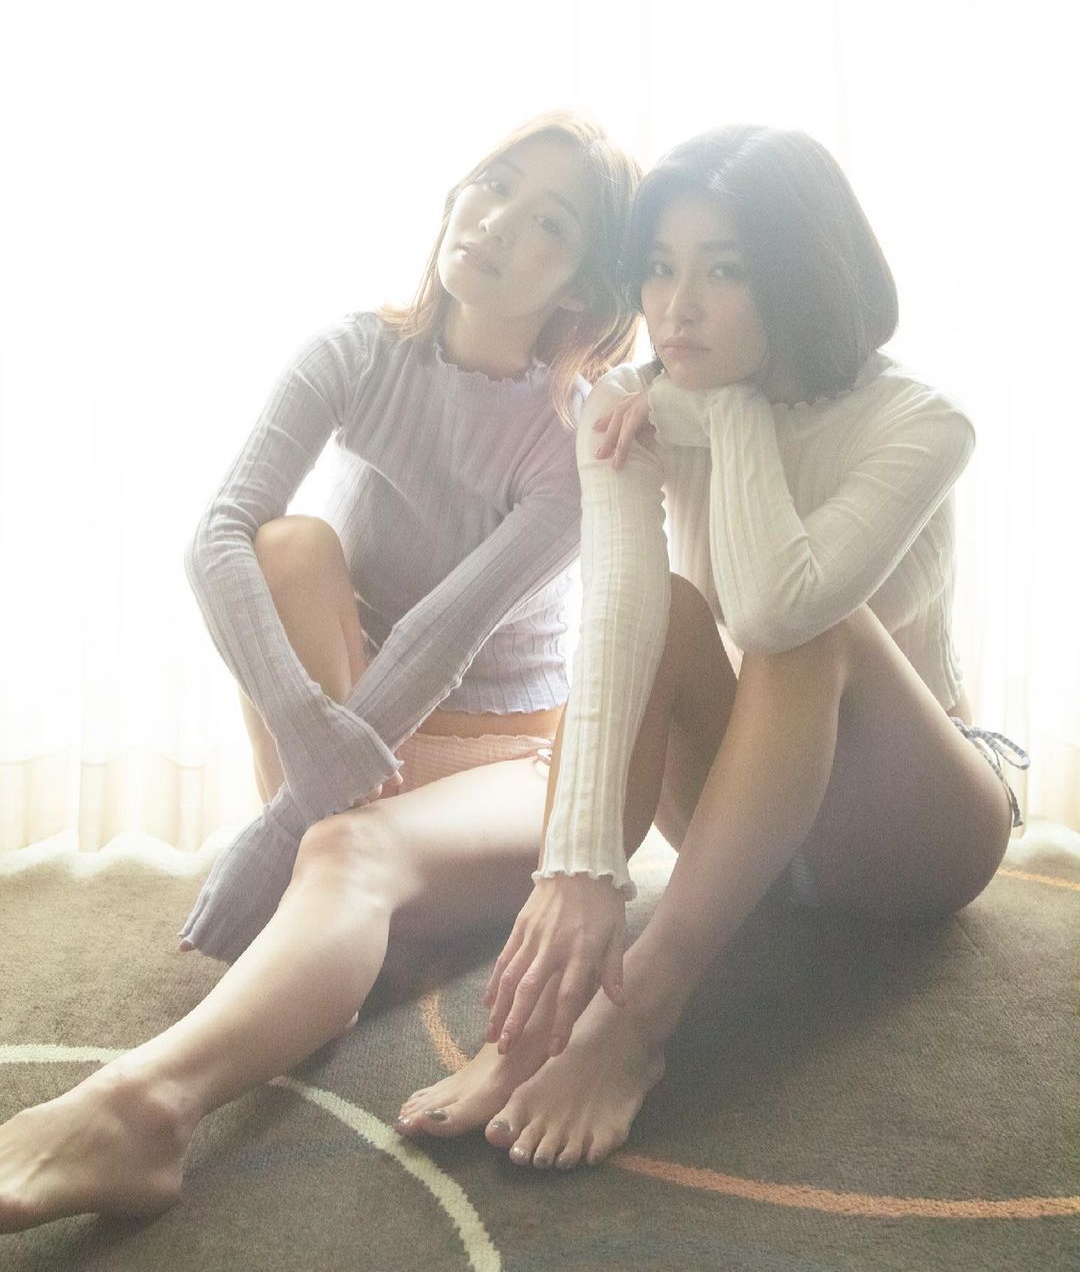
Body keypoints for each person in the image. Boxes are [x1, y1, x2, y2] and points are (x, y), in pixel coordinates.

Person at [0, 112, 639, 1232]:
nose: (497, 222)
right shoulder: (356, 350)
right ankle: (342, 916)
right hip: (355, 727)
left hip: (515, 756)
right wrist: (305, 751)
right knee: (289, 549)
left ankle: (143, 1110)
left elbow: (443, 636)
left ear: (581, 288)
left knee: (340, 847)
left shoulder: (571, 433)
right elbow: (216, 536)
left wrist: (292, 819)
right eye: (495, 183)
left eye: (548, 222)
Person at [396, 124, 1029, 1170]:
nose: (676, 308)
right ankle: (535, 1028)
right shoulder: (623, 406)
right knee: (667, 610)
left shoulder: (920, 421)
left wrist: (729, 416)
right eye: (659, 268)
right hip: (751, 823)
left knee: (814, 626)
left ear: (800, 274)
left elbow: (781, 611)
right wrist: (579, 867)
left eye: (724, 272)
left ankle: (635, 1017)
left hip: (916, 832)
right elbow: (620, 617)